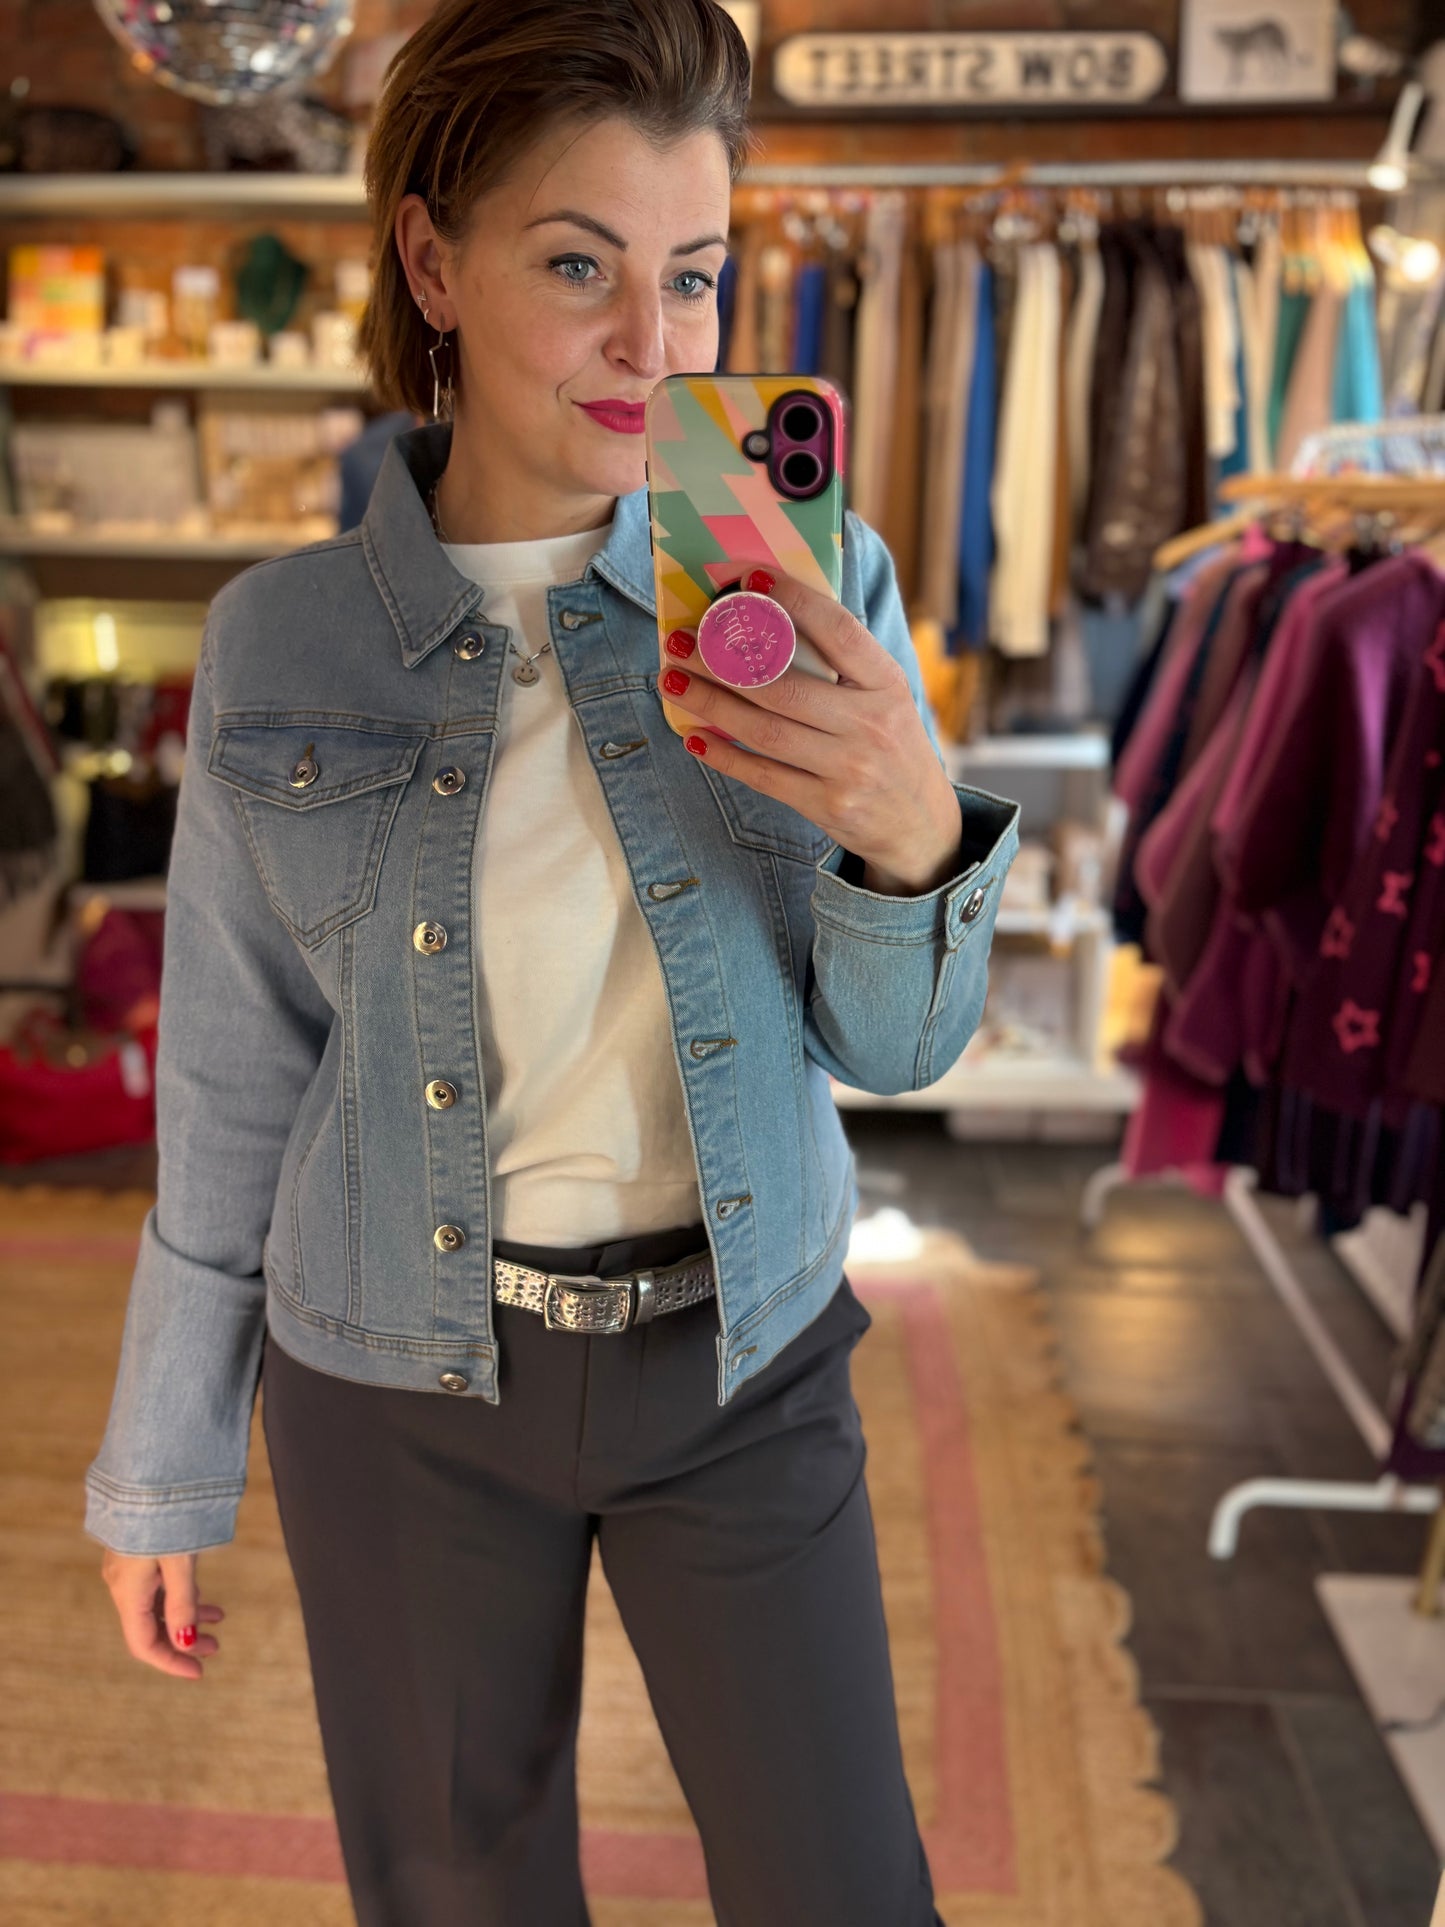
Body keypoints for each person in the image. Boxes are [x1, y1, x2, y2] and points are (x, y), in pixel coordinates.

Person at [83, 2, 1019, 1921]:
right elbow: (235, 1083)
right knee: (456, 1899)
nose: (649, 345)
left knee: (842, 1889)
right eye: (576, 263)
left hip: (742, 1359)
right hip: (398, 1379)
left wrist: (912, 827)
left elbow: (901, 1048)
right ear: (433, 258)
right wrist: (163, 1467)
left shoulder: (810, 593)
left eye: (690, 276)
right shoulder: (280, 645)